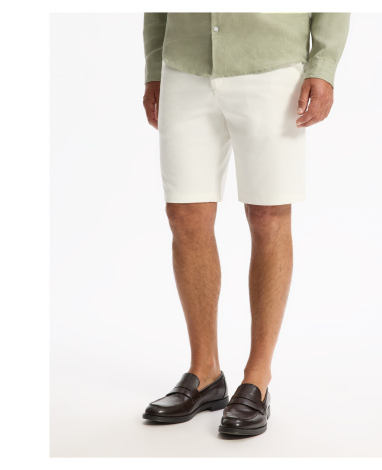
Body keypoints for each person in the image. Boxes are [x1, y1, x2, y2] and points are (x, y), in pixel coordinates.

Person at [141, 12, 350, 436]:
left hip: (272, 65)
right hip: (185, 62)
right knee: (184, 214)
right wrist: (153, 67)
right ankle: (205, 372)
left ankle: (257, 378)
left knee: (268, 215)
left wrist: (324, 65)